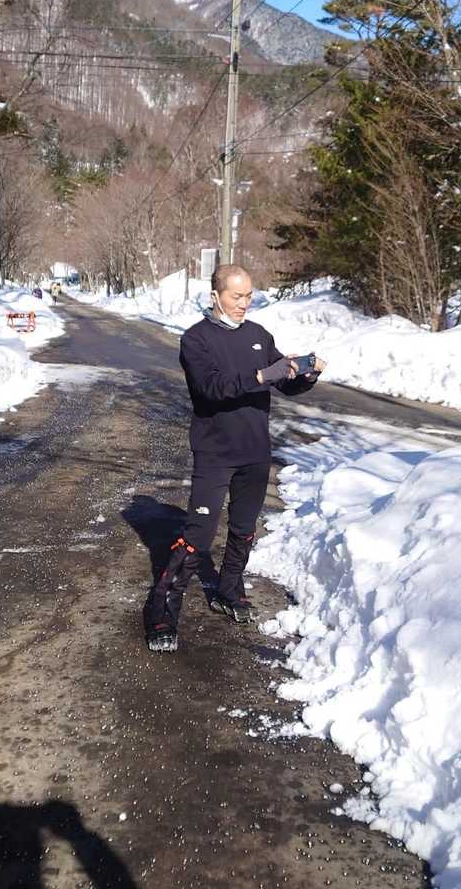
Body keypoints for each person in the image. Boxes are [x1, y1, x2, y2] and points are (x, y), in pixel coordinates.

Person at [143, 264, 325, 652]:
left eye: (249, 296)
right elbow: (211, 389)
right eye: (236, 296)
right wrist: (262, 376)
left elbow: (284, 381)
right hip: (215, 451)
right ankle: (163, 609)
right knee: (198, 535)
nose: (244, 303)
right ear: (216, 296)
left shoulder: (259, 335)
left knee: (244, 529)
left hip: (255, 451)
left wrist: (304, 375)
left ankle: (229, 589)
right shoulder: (196, 339)